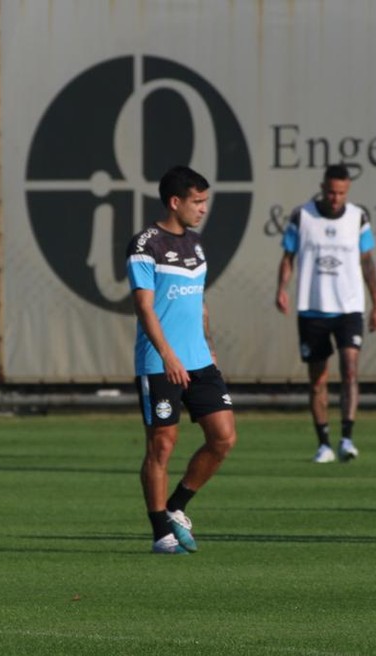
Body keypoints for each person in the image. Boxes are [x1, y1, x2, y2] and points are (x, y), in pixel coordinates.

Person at [126, 165, 237, 554]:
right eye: (197, 201)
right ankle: (161, 533)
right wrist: (168, 355)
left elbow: (199, 301)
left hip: (199, 359)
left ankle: (176, 506)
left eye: (205, 201)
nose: (203, 208)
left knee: (223, 438)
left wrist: (208, 344)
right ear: (175, 202)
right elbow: (144, 307)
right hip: (160, 363)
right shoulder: (146, 245)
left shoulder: (196, 244)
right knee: (162, 445)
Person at [275, 165, 376, 464]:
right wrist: (281, 288)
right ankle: (323, 444)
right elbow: (288, 257)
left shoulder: (358, 217)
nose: (336, 198)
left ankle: (347, 438)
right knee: (318, 379)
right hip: (312, 308)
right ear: (322, 188)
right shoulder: (302, 216)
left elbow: (367, 262)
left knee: (350, 369)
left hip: (349, 307)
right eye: (332, 192)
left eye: (341, 193)